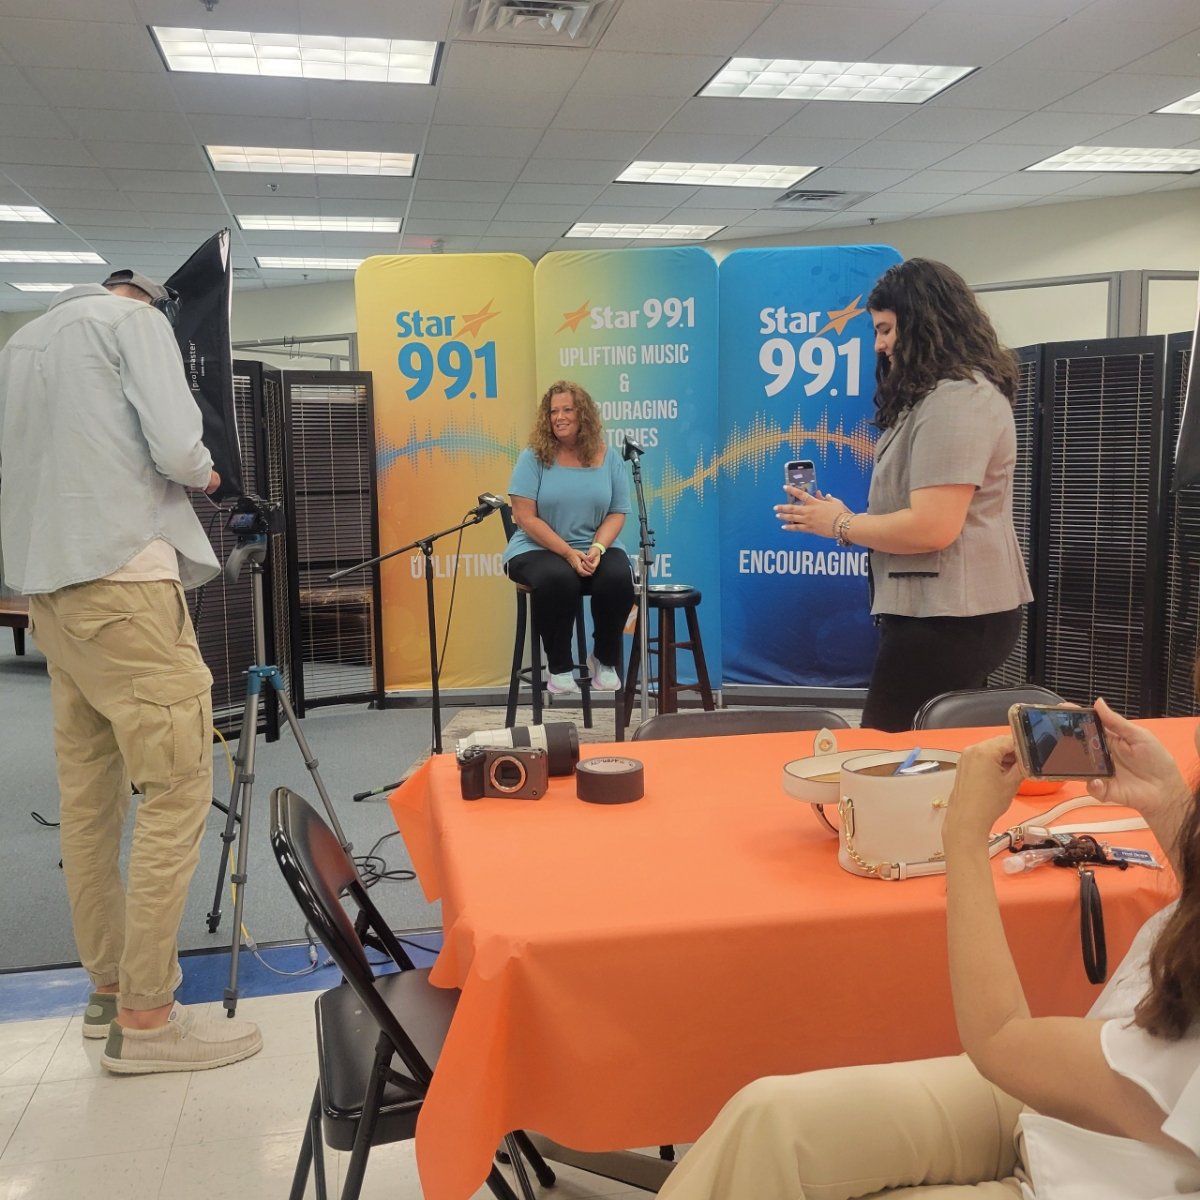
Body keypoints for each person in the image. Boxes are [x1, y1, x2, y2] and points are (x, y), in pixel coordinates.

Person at [657, 694, 1199, 1199]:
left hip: (1108, 1171)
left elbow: (1000, 1039)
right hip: (1077, 1099)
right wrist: (1167, 800)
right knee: (769, 1119)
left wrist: (963, 835)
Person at [0, 269, 263, 1073]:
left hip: (51, 594)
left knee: (90, 805)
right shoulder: (136, 327)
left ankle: (108, 994)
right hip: (125, 586)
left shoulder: (22, 342)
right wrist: (218, 480)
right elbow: (183, 450)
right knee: (178, 788)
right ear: (151, 302)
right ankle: (150, 1019)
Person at [776, 257, 1033, 732]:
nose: (880, 345)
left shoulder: (958, 399)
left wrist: (840, 524)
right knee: (921, 755)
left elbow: (933, 526)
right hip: (938, 613)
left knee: (884, 748)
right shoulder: (938, 396)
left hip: (953, 618)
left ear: (926, 323)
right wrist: (840, 518)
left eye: (888, 329)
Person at [503, 380, 635, 694]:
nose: (559, 417)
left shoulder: (609, 457)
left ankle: (604, 659)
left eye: (567, 410)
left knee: (618, 577)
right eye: (553, 412)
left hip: (591, 547)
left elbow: (618, 511)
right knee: (559, 578)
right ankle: (559, 666)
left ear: (583, 415)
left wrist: (599, 547)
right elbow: (524, 516)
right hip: (536, 548)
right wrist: (567, 553)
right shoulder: (533, 457)